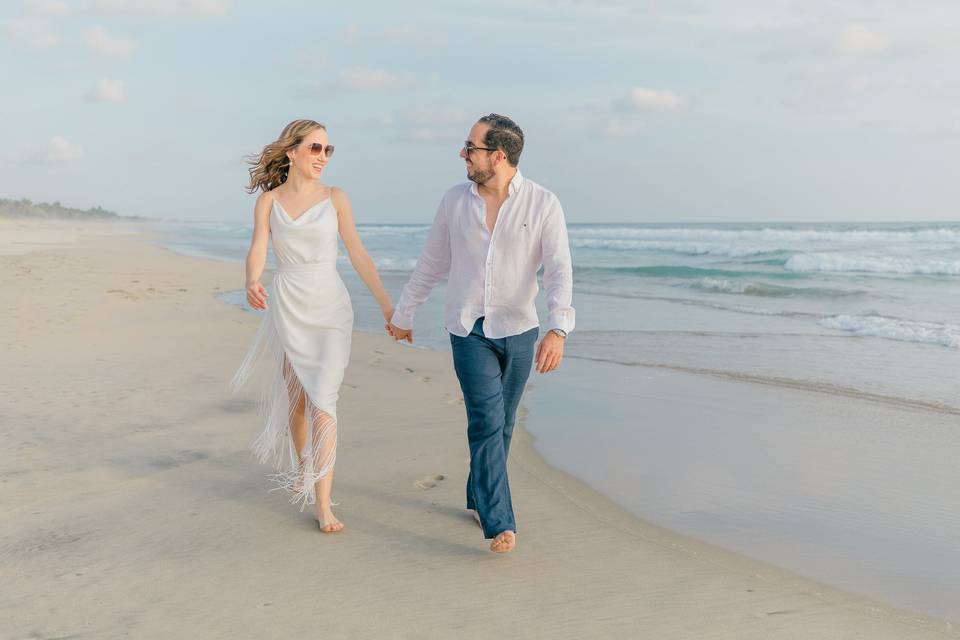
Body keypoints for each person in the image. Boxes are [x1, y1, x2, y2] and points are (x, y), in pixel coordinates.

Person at [389, 113, 575, 553]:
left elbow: (559, 270)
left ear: (498, 155)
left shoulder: (543, 203)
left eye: (470, 147)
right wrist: (405, 313)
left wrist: (558, 329)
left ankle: (477, 494)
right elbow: (432, 262)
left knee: (504, 423)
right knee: (486, 420)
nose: (463, 154)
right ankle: (499, 521)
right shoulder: (455, 201)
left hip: (520, 330)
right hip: (468, 329)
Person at [232, 119, 394, 533]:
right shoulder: (268, 201)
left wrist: (386, 304)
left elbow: (356, 252)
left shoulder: (336, 197)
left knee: (325, 399)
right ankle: (305, 464)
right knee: (298, 397)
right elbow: (258, 247)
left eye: (328, 150)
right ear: (292, 152)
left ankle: (322, 503)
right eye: (315, 148)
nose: (323, 157)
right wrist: (251, 280)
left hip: (330, 307)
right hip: (288, 302)